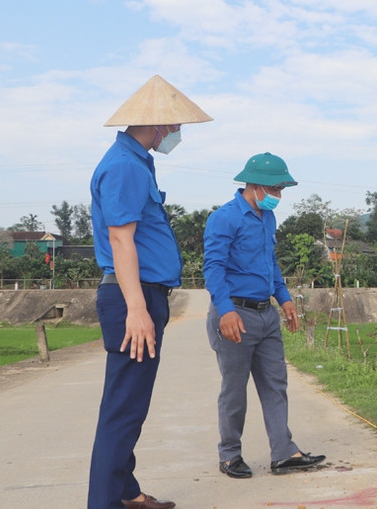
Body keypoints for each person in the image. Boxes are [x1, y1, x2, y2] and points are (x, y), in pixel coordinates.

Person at [89, 75, 212, 509]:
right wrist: (137, 310)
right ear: (158, 124)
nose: (178, 133)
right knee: (123, 411)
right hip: (132, 297)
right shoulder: (124, 166)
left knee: (128, 405)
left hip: (140, 294)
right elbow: (121, 240)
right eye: (176, 126)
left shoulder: (136, 161)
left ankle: (128, 493)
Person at [203, 153, 325, 478]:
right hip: (235, 315)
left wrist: (284, 299)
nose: (278, 195)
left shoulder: (267, 219)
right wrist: (225, 311)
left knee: (275, 384)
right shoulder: (224, 218)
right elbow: (213, 269)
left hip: (265, 314)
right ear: (254, 186)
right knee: (235, 389)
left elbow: (270, 263)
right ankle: (229, 455)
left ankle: (284, 452)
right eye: (274, 188)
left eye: (281, 189)